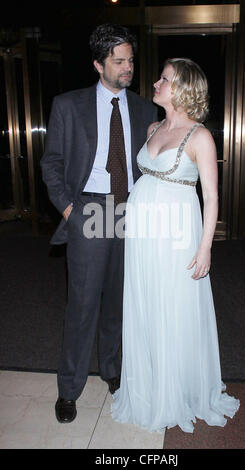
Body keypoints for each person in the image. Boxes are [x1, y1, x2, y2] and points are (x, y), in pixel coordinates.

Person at [111, 58, 240, 433]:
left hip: (177, 235)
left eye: (164, 79)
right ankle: (149, 386)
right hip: (143, 235)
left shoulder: (200, 137)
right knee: (146, 303)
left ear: (182, 88)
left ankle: (177, 392)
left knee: (174, 308)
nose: (155, 83)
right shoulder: (154, 126)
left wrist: (205, 249)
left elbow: (212, 198)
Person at [41, 24, 157, 423]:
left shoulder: (145, 109)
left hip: (130, 212)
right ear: (98, 64)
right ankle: (69, 388)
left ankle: (113, 371)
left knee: (119, 304)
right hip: (88, 210)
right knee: (83, 305)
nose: (128, 68)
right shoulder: (68, 106)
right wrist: (70, 212)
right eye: (119, 61)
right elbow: (51, 164)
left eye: (131, 60)